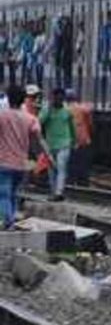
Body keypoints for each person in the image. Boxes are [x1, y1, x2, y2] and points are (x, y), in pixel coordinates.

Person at [0, 84, 46, 228]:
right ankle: (11, 221)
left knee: (3, 194)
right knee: (13, 194)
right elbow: (39, 140)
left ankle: (8, 222)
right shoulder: (30, 118)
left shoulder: (2, 116)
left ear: (9, 98)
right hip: (21, 164)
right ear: (23, 99)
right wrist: (48, 157)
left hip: (3, 163)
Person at [39, 88, 76, 201]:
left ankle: (59, 192)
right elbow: (40, 121)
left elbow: (72, 127)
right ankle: (53, 191)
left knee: (61, 167)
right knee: (52, 170)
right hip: (50, 145)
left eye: (61, 99)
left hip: (64, 143)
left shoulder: (67, 111)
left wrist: (74, 140)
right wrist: (48, 111)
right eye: (56, 98)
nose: (58, 101)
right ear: (52, 98)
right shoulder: (46, 110)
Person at [65, 89, 94, 186]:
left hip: (70, 141)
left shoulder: (64, 110)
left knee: (71, 164)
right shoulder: (83, 109)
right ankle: (83, 183)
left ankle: (71, 182)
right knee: (84, 164)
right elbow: (90, 124)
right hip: (84, 140)